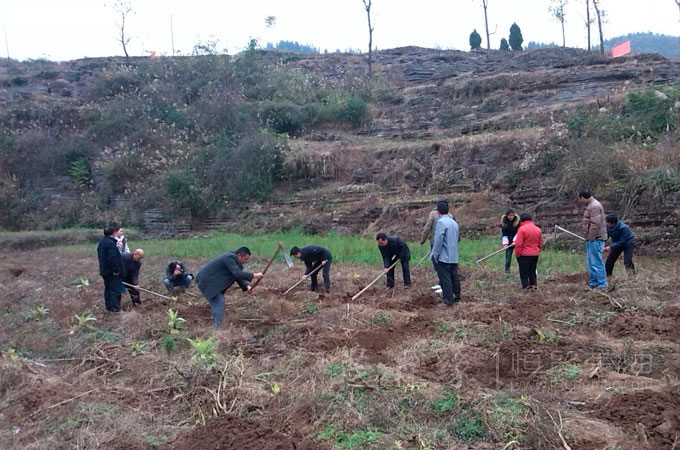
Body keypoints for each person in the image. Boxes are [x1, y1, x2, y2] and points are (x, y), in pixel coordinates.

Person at [195, 247, 264, 329]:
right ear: (239, 256)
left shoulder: (234, 261)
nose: (245, 262)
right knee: (218, 301)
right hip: (207, 281)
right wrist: (254, 275)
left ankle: (218, 325)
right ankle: (218, 328)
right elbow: (237, 273)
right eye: (245, 259)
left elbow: (236, 276)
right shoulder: (229, 258)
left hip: (213, 282)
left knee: (218, 302)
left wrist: (246, 286)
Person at [431, 201, 461, 306]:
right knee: (454, 276)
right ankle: (457, 297)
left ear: (438, 212)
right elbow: (458, 238)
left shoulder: (441, 222)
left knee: (445, 278)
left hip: (444, 255)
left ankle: (448, 300)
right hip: (453, 255)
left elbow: (438, 239)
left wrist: (435, 253)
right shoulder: (454, 222)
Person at [420, 199, 453, 291]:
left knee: (438, 264)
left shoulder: (433, 214)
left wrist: (422, 240)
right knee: (445, 263)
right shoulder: (450, 216)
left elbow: (427, 227)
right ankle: (441, 283)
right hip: (448, 244)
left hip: (435, 242)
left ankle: (443, 285)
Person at [578, 188, 608, 290]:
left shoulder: (595, 206)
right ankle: (594, 282)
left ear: (582, 197)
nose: (580, 201)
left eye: (580, 198)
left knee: (596, 262)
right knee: (590, 262)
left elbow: (595, 224)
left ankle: (602, 284)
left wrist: (591, 237)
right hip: (591, 239)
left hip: (596, 239)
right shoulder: (590, 206)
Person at [97, 225, 124, 312]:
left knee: (108, 289)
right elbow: (112, 258)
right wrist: (116, 270)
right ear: (113, 233)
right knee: (114, 290)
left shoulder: (101, 243)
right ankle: (115, 309)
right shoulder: (110, 244)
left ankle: (109, 307)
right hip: (112, 273)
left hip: (104, 271)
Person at [514, 213, 542, 291]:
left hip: (524, 254)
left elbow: (518, 244)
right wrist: (536, 250)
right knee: (532, 271)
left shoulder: (521, 229)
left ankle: (526, 288)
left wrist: (517, 254)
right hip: (535, 254)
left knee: (524, 272)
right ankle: (534, 286)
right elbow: (540, 243)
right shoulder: (537, 229)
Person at [501, 208, 520, 273]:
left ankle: (521, 269)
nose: (511, 217)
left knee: (519, 257)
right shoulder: (504, 222)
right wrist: (505, 244)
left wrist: (515, 241)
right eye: (509, 215)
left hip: (517, 241)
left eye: (512, 215)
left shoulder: (517, 222)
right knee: (508, 258)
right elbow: (504, 234)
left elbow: (519, 232)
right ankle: (507, 270)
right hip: (509, 242)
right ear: (506, 215)